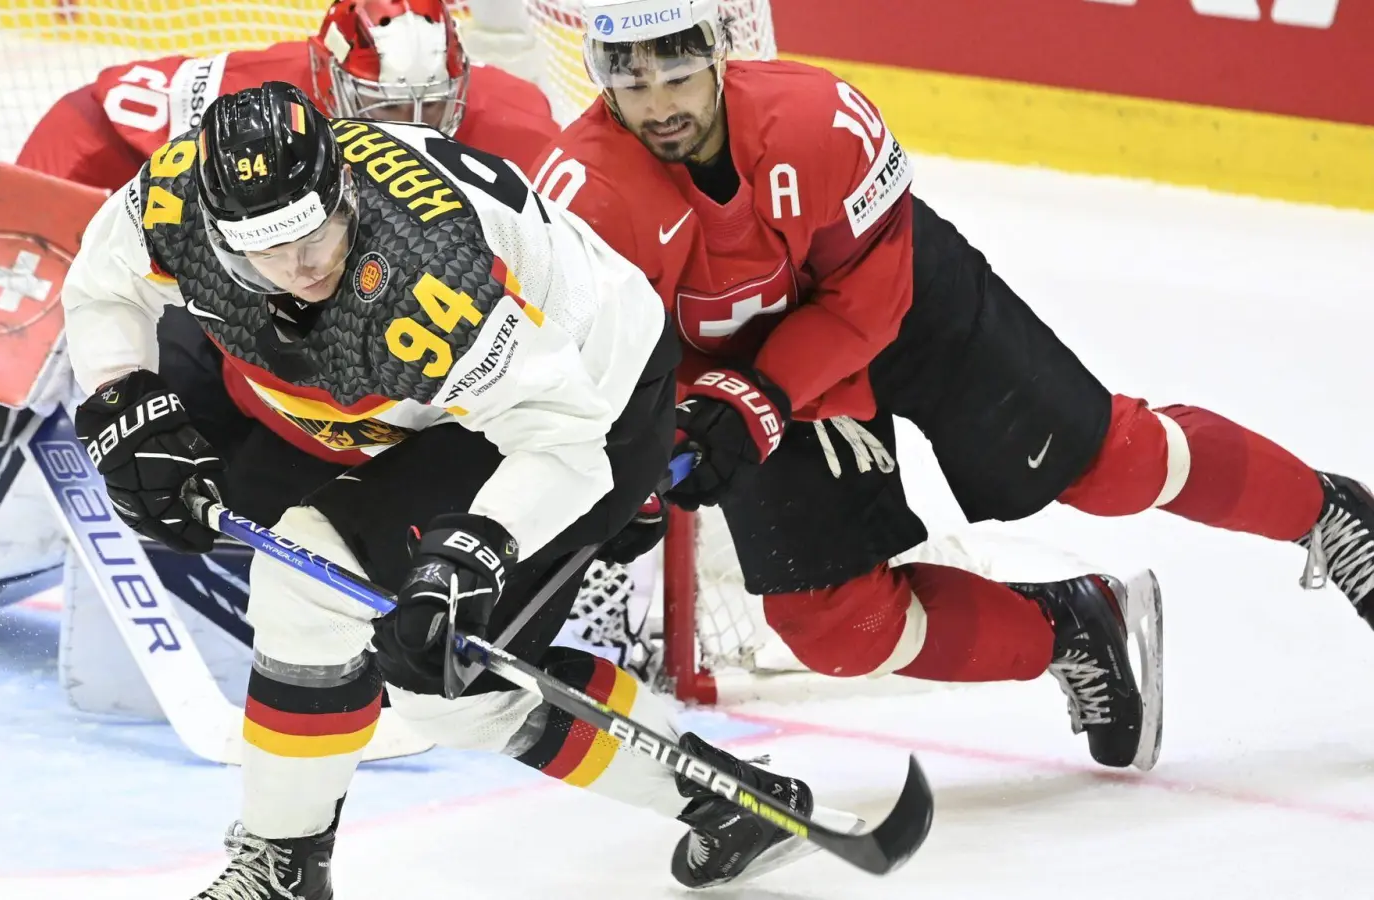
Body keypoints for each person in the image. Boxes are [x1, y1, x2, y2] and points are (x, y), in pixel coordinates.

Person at [532, 0, 1374, 772]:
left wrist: (756, 398)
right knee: (834, 626)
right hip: (735, 377)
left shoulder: (818, 119)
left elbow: (871, 297)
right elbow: (611, 360)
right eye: (629, 77)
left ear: (718, 52)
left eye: (676, 72)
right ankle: (1073, 629)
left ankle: (1326, 513)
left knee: (1106, 465)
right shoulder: (580, 196)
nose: (658, 103)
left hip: (888, 312)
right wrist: (642, 455)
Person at [61, 81, 829, 899]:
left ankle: (727, 801)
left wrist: (477, 546)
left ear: (342, 187)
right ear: (214, 229)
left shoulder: (429, 275)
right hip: (447, 406)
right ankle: (287, 866)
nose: (299, 269)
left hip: (590, 400)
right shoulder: (176, 199)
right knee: (373, 640)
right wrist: (119, 400)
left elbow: (563, 443)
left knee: (421, 673)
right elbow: (103, 282)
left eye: (314, 235)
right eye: (265, 250)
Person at [17, 0, 559, 190]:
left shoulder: (519, 120)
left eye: (433, 103)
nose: (411, 128)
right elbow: (88, 117)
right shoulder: (264, 95)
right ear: (328, 80)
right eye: (386, 105)